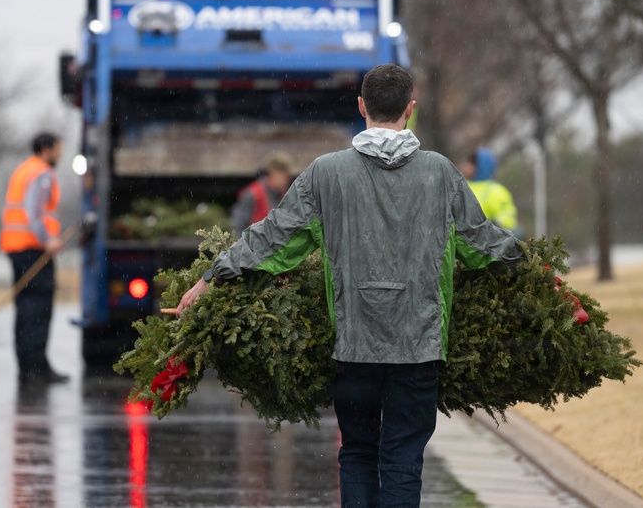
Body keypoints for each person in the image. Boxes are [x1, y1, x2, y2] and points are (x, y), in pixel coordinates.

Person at [177, 63, 523, 507]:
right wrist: (532, 263)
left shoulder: (327, 173)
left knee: (358, 453)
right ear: (410, 109)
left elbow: (274, 237)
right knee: (403, 459)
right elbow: (482, 243)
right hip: (418, 347)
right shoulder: (440, 173)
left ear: (361, 106)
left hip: (354, 348)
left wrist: (213, 275)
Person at [0, 132, 69, 384]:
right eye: (58, 149)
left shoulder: (24, 170)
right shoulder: (42, 174)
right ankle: (37, 367)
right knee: (38, 308)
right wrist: (47, 239)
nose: (60, 154)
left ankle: (27, 366)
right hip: (34, 249)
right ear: (46, 149)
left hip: (17, 248)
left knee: (24, 308)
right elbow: (34, 210)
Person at [229, 151, 295, 236]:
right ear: (274, 173)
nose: (288, 180)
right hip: (254, 247)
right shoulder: (252, 194)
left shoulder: (285, 196)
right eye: (285, 176)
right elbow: (237, 227)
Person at [458, 147, 521, 237]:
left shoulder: (496, 192)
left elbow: (508, 223)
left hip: (485, 246)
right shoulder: (460, 186)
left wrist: (492, 227)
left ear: (480, 165)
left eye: (470, 162)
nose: (464, 166)